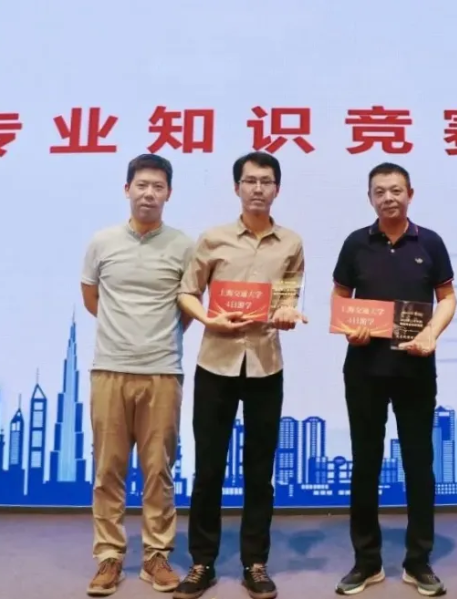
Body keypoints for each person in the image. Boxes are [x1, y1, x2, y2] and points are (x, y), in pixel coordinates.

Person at [173, 151, 306, 599]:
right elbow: (188, 292)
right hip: (216, 362)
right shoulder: (213, 239)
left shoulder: (291, 243)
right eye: (250, 181)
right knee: (209, 467)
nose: (257, 188)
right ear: (236, 188)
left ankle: (255, 562)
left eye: (266, 181)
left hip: (266, 364)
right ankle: (202, 562)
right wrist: (208, 319)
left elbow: (288, 296)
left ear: (277, 189)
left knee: (259, 469)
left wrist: (287, 313)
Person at [331, 162, 456, 597]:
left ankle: (418, 562)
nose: (389, 197)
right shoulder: (356, 243)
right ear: (370, 198)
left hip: (415, 368)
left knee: (419, 464)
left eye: (396, 190)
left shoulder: (430, 242)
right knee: (365, 464)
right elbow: (340, 296)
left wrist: (432, 332)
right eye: (380, 191)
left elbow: (447, 297)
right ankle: (366, 562)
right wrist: (348, 326)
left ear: (410, 194)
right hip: (364, 369)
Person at [80, 154, 195, 596]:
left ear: (169, 193)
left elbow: (187, 308)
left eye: (158, 187)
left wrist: (154, 337)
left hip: (162, 370)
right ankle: (109, 557)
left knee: (158, 469)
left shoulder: (183, 246)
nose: (149, 194)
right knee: (107, 469)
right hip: (109, 369)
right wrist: (124, 334)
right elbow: (92, 298)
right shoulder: (102, 242)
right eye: (142, 185)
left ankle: (156, 555)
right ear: (127, 189)